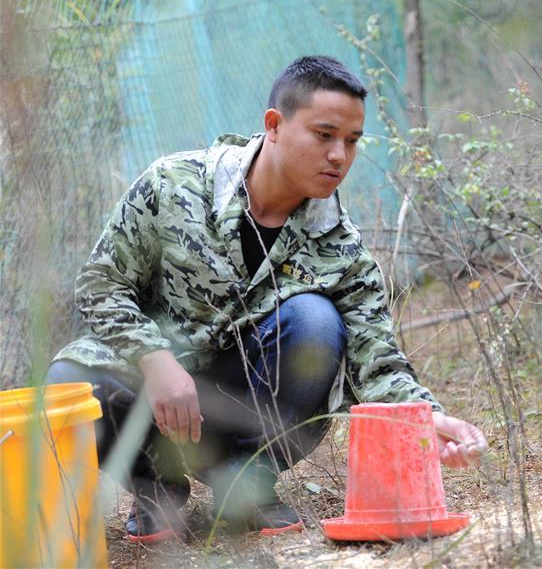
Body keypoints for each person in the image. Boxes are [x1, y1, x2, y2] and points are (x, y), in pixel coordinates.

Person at [47, 55, 487, 543]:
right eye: (324, 135)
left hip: (237, 406)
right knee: (71, 380)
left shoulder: (338, 245)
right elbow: (101, 283)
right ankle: (156, 491)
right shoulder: (173, 185)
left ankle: (244, 478)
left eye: (353, 140)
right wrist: (156, 360)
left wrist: (429, 420)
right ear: (274, 125)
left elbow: (377, 357)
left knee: (316, 321)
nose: (339, 155)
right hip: (153, 397)